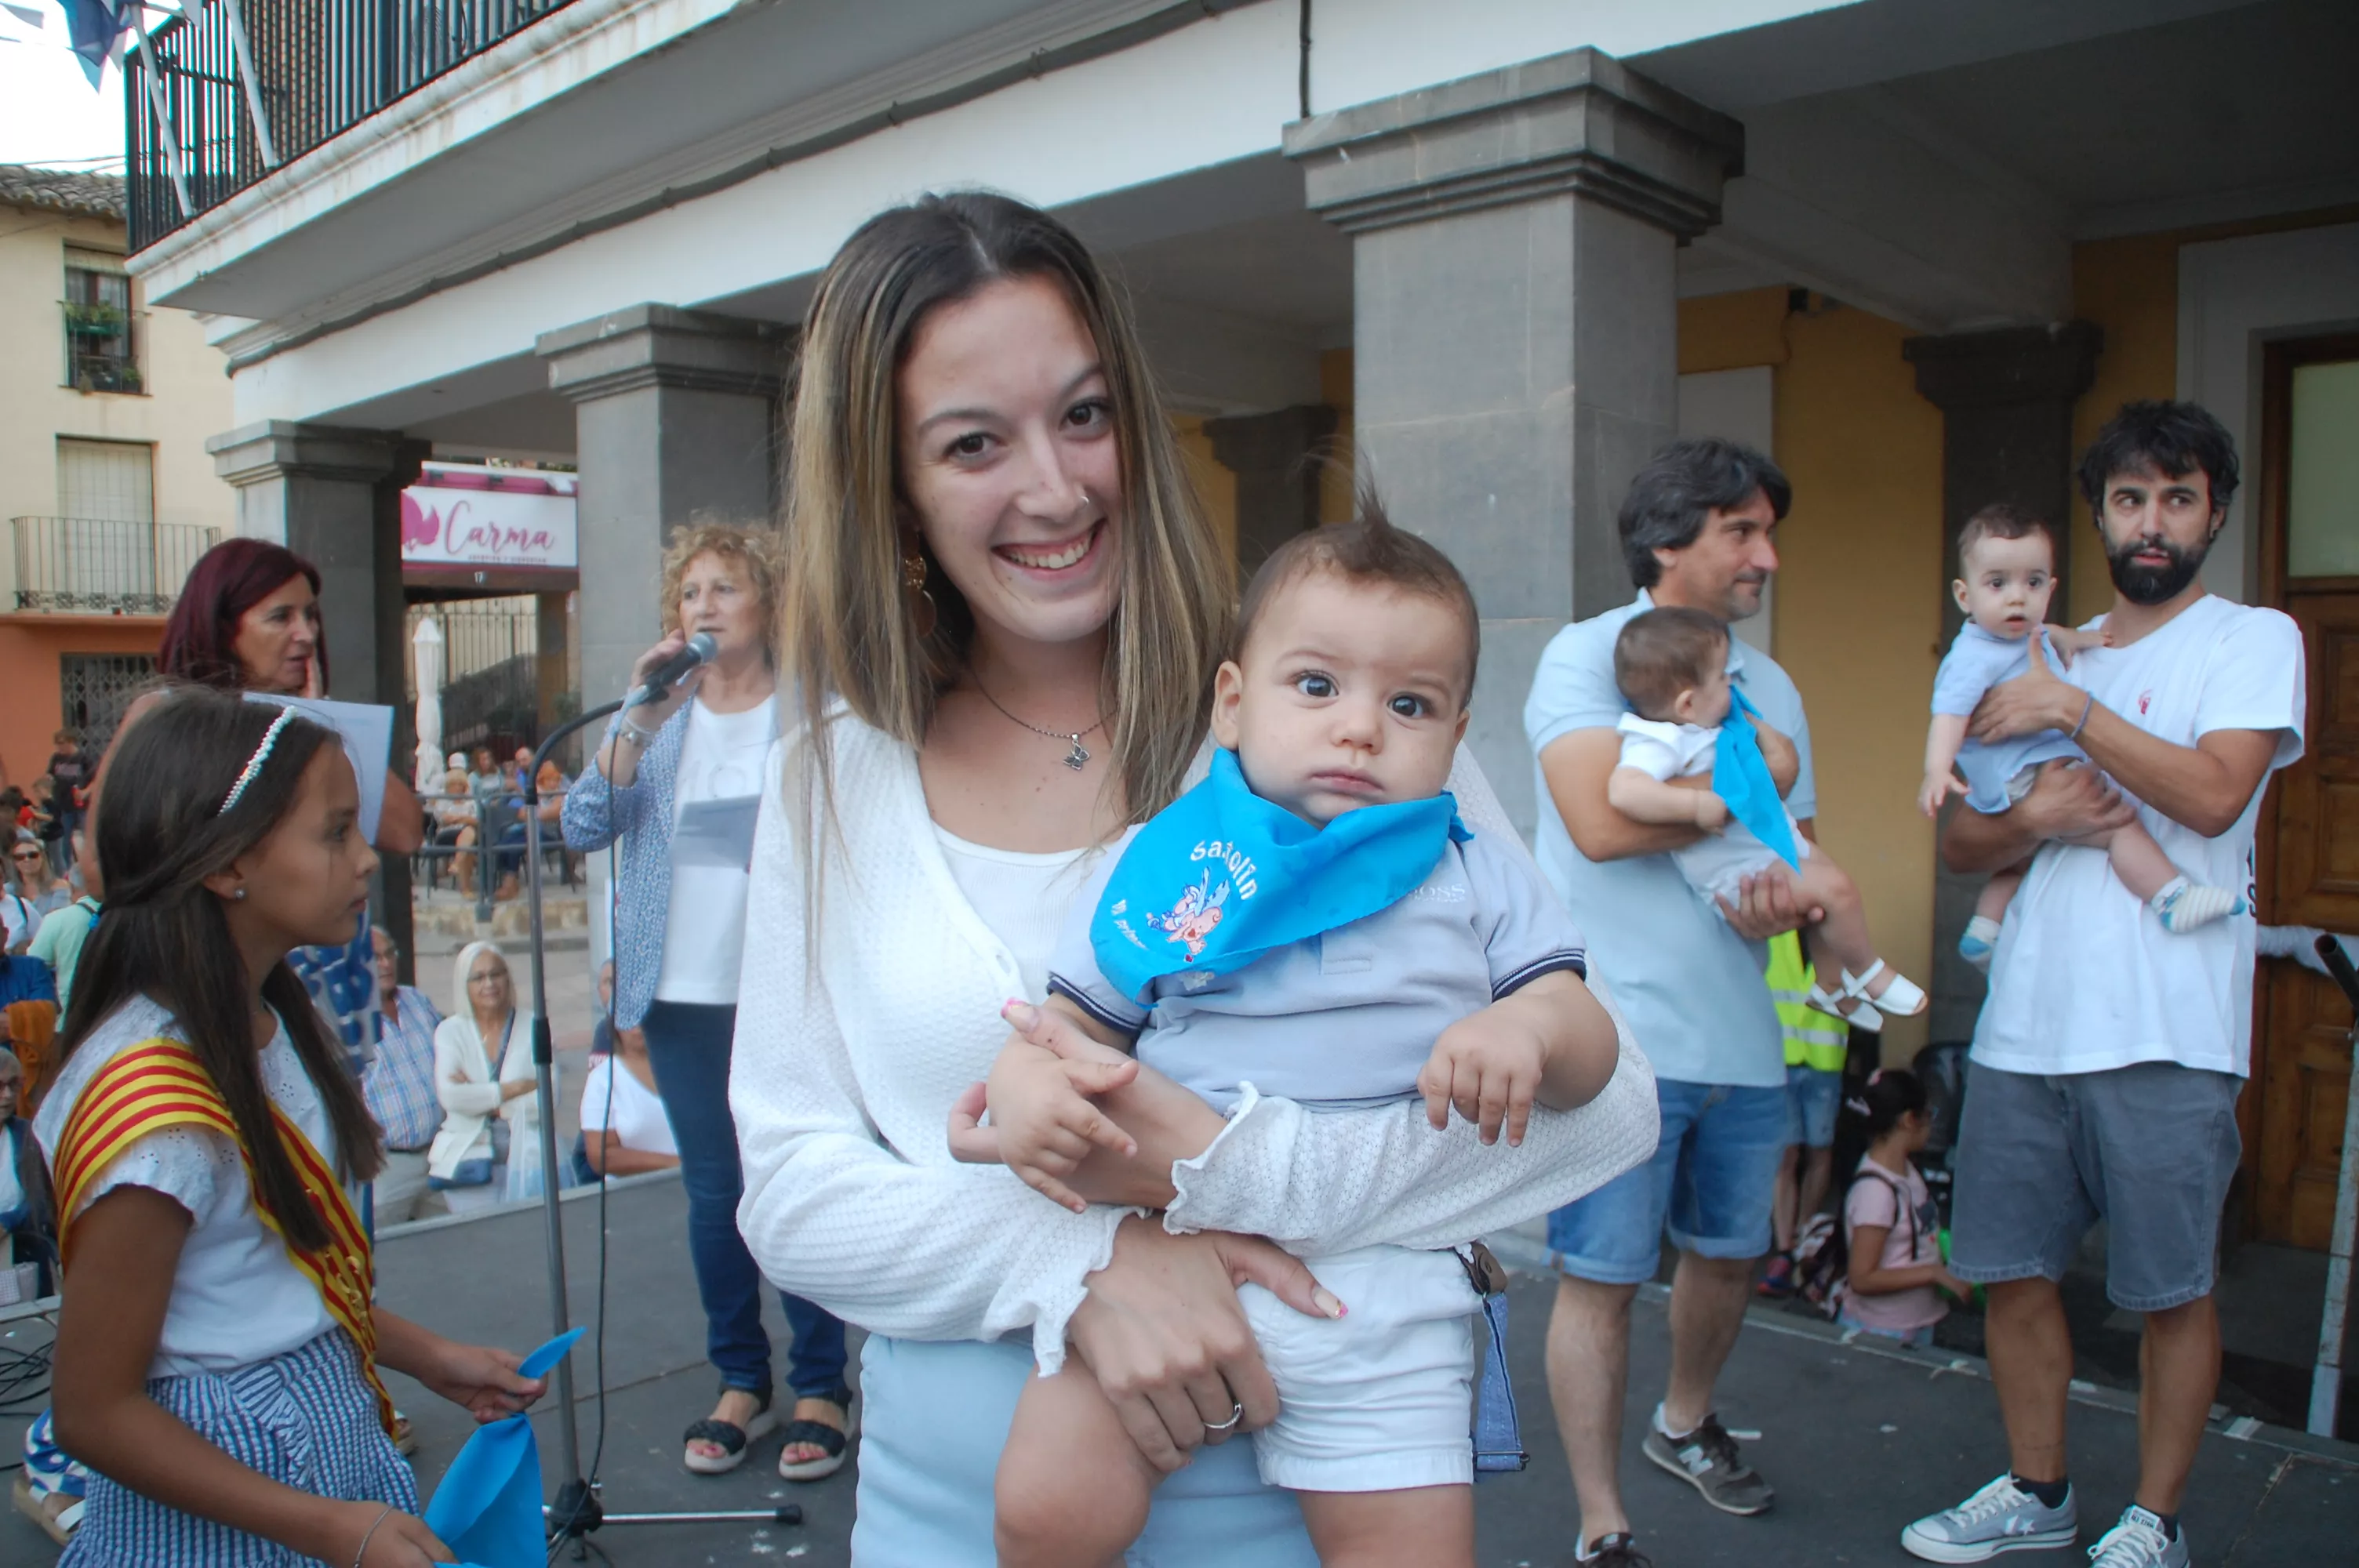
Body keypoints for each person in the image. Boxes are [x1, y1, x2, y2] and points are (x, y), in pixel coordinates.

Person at [729, 190, 1655, 1565]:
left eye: (1085, 416)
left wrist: (1223, 1176)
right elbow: (791, 1185)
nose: (1054, 489)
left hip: (1295, 1509)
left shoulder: (1336, 723)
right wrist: (1083, 1261)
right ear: (892, 487)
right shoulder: (828, 774)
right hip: (946, 1510)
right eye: (974, 443)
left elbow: (1601, 1115)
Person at [968, 514, 1625, 1568]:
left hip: (1385, 1284)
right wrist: (1023, 1079)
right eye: (1316, 686)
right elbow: (1074, 1027)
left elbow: (1591, 1054)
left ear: (1456, 738)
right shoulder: (1170, 859)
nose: (1360, 728)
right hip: (1168, 1263)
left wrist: (1529, 1024)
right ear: (1233, 703)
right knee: (1046, 1508)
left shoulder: (1470, 871)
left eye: (1409, 704)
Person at [1902, 401, 2306, 1568]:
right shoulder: (2037, 638)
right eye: (2130, 499)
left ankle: (2155, 1522)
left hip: (2170, 1024)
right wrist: (2028, 811)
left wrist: (2074, 713)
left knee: (2171, 1289)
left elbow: (2218, 795)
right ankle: (2039, 1493)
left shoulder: (2248, 637)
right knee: (2011, 1276)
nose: (2152, 521)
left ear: (2213, 514)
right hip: (2028, 1022)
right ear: (2100, 515)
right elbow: (1964, 848)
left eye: (2178, 498)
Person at [35, 690, 543, 1566]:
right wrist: (330, 1525)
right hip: (229, 1498)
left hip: (322, 1445)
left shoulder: (270, 1016)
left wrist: (428, 1356)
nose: (363, 860)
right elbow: (93, 1410)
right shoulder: (155, 1112)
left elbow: (272, 1281)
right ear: (227, 862)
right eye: (334, 832)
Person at [1525, 438, 1819, 1567]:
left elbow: (1793, 837)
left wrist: (1786, 897)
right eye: (1741, 532)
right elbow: (1599, 827)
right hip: (1619, 1036)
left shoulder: (1772, 683)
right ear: (1668, 540)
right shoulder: (1587, 654)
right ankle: (1604, 1526)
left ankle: (1684, 1424)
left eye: (1766, 533)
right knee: (1602, 1277)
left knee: (1733, 1255)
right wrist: (1716, 815)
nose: (1767, 558)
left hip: (1744, 1031)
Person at [563, 521, 854, 1480]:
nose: (705, 608)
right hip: (681, 996)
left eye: (725, 588)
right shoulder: (657, 720)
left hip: (785, 987)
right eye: (690, 593)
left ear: (768, 602)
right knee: (715, 1194)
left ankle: (822, 1384)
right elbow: (581, 823)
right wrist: (634, 723)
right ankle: (742, 1377)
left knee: (794, 1176)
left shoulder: (820, 709)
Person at [1921, 503, 2243, 970]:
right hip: (2031, 770)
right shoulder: (1973, 657)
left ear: (2050, 588)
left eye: (2032, 583)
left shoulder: (2018, 637)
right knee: (2115, 824)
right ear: (1964, 595)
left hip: (2007, 780)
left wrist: (2080, 640)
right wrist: (1936, 769)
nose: (2017, 598)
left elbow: (2048, 636)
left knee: (2026, 854)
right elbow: (1948, 713)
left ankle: (1986, 926)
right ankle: (2170, 896)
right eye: (1998, 584)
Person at [151, 536, 427, 1071]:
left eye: (310, 615)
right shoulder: (165, 719)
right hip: (222, 1003)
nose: (306, 633)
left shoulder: (314, 726)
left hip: (325, 1002)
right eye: (281, 617)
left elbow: (405, 831)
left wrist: (317, 717)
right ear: (222, 625)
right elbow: (102, 865)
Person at [1608, 607, 1926, 1031]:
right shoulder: (1662, 739)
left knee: (1827, 894)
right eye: (1723, 677)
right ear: (1687, 702)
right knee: (1837, 891)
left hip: (1769, 849)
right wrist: (1697, 807)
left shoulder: (1708, 726)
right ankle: (1870, 972)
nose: (1732, 683)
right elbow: (1625, 789)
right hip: (1742, 875)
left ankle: (1830, 985)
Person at [1834, 1070, 1967, 1348]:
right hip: (1883, 1331)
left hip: (1914, 1323)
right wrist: (1932, 1273)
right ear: (1909, 1120)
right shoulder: (1876, 1193)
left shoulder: (1906, 1171)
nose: (1932, 1123)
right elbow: (1862, 1278)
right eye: (1929, 1114)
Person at [1757, 930, 1846, 1299]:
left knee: (1819, 1151)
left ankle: (1807, 1238)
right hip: (1782, 1058)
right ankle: (1785, 1248)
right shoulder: (1773, 936)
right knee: (1787, 1155)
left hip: (1825, 1061)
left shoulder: (1839, 935)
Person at [425, 941, 537, 1214]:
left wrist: (479, 1095)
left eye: (496, 974)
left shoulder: (532, 1023)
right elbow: (451, 1097)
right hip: (467, 1162)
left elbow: (548, 1096)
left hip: (528, 1160)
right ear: (464, 984)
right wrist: (516, 1088)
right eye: (478, 977)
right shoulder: (450, 1031)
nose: (489, 983)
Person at [362, 926, 446, 1225]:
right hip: (389, 1164)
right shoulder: (352, 1021)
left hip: (441, 1151)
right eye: (375, 958)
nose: (385, 964)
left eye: (389, 955)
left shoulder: (417, 1002)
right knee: (382, 1248)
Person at [577, 1022, 679, 1179]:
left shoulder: (689, 1068)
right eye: (629, 1019)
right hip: (629, 1196)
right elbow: (600, 1156)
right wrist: (677, 1164)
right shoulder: (602, 1079)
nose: (638, 1026)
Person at [0, 1046, 56, 1291]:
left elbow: (42, 1199)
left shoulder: (28, 1136)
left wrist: (7, 1223)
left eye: (14, 1084)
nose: (8, 1095)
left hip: (23, 1256)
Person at [6, 830, 71, 954]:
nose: (27, 860)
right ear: (14, 862)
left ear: (42, 857)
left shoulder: (59, 887)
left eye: (33, 855)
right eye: (20, 857)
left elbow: (56, 926)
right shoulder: (7, 891)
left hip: (49, 950)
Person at [45, 729, 89, 877]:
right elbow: (50, 775)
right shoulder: (57, 758)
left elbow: (94, 778)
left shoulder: (83, 758)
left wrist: (85, 792)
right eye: (57, 744)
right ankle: (68, 870)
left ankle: (87, 864)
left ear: (71, 741)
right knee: (65, 838)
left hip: (80, 804)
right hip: (63, 804)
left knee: (86, 835)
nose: (59, 747)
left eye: (62, 743)